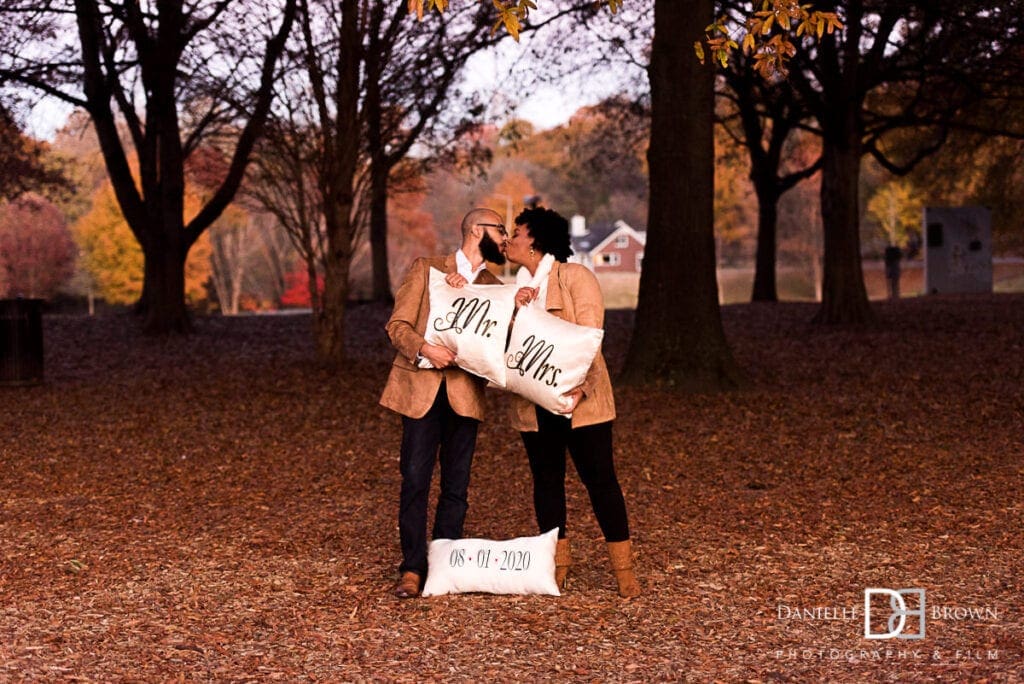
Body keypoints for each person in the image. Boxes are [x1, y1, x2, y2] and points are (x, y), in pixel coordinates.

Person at [456, 206, 641, 598]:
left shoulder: (575, 277)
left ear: (537, 240)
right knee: (546, 484)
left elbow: (591, 336)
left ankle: (624, 572)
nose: (509, 240)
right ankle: (558, 567)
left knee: (600, 481)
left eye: (517, 233)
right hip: (533, 404)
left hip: (582, 402)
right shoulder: (511, 290)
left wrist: (582, 390)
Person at [379, 208, 508, 598]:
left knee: (457, 487)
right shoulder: (427, 269)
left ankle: (443, 567)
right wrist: (425, 349)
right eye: (500, 230)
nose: (505, 238)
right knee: (415, 480)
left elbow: (502, 345)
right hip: (421, 392)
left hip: (465, 397)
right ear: (476, 231)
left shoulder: (494, 287)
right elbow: (396, 326)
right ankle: (412, 569)